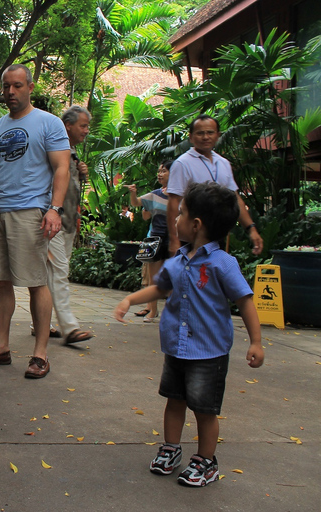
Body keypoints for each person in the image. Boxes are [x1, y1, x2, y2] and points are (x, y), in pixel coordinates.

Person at [114, 182, 264, 487]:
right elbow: (161, 288)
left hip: (209, 352)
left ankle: (206, 462)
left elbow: (245, 300)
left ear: (195, 225)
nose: (176, 220)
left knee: (205, 410)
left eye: (180, 214)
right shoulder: (177, 261)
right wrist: (131, 299)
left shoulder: (223, 264)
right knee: (174, 399)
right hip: (177, 348)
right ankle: (171, 448)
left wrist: (257, 341)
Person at [0, 64, 71, 379]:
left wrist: (55, 208)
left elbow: (62, 168)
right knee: (0, 281)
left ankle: (40, 354)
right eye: (6, 87)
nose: (10, 92)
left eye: (17, 86)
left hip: (32, 211)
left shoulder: (49, 123)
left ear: (30, 86)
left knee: (37, 281)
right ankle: (0, 347)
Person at [34, 105, 94, 344]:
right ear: (67, 126)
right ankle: (69, 327)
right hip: (52, 221)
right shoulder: (54, 150)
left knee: (50, 273)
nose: (86, 131)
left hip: (68, 222)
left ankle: (41, 322)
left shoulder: (73, 154)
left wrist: (82, 174)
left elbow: (73, 190)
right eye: (83, 126)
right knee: (59, 272)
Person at [166, 114, 263, 256]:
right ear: (191, 137)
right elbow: (173, 202)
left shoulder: (223, 163)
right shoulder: (182, 163)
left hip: (217, 236)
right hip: (190, 238)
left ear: (218, 135)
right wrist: (174, 240)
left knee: (212, 274)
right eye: (200, 133)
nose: (205, 137)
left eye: (210, 132)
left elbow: (235, 199)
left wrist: (251, 229)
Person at [127, 160, 174, 322]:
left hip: (175, 239)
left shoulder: (182, 195)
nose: (160, 174)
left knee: (175, 277)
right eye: (159, 171)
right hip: (156, 239)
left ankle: (172, 313)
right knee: (154, 279)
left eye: (164, 171)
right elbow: (136, 203)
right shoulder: (155, 194)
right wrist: (133, 193)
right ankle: (152, 312)